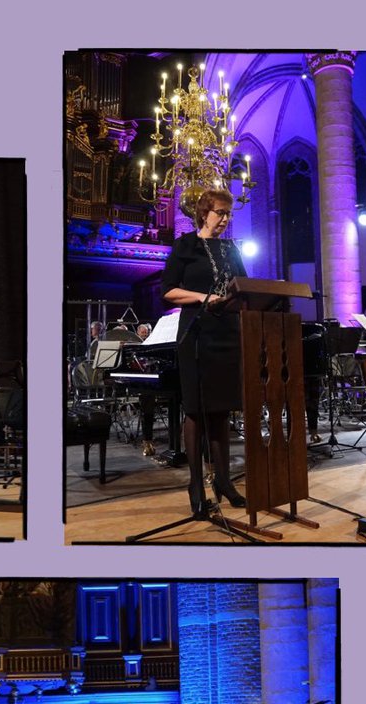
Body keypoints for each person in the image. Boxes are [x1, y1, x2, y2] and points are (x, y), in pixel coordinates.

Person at [160, 189, 248, 517]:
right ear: (203, 213)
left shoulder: (231, 249)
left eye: (228, 215)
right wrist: (202, 297)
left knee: (222, 410)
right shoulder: (186, 246)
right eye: (219, 213)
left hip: (227, 333)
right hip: (196, 335)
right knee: (196, 411)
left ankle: (223, 480)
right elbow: (168, 290)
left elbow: (244, 286)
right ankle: (196, 483)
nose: (224, 219)